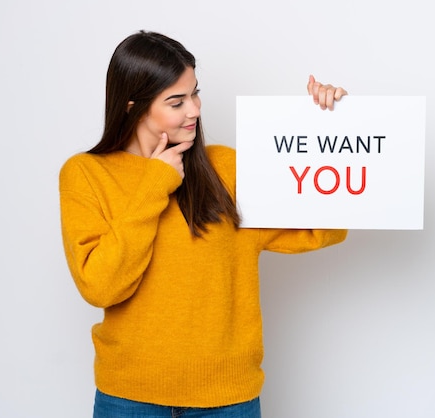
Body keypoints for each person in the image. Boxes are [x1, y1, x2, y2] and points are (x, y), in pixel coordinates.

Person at [59, 30, 348, 418]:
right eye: (176, 101)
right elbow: (101, 286)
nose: (194, 109)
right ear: (133, 105)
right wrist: (155, 185)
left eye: (195, 93)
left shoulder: (226, 168)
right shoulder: (87, 174)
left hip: (227, 398)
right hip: (128, 397)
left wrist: (331, 127)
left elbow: (319, 229)